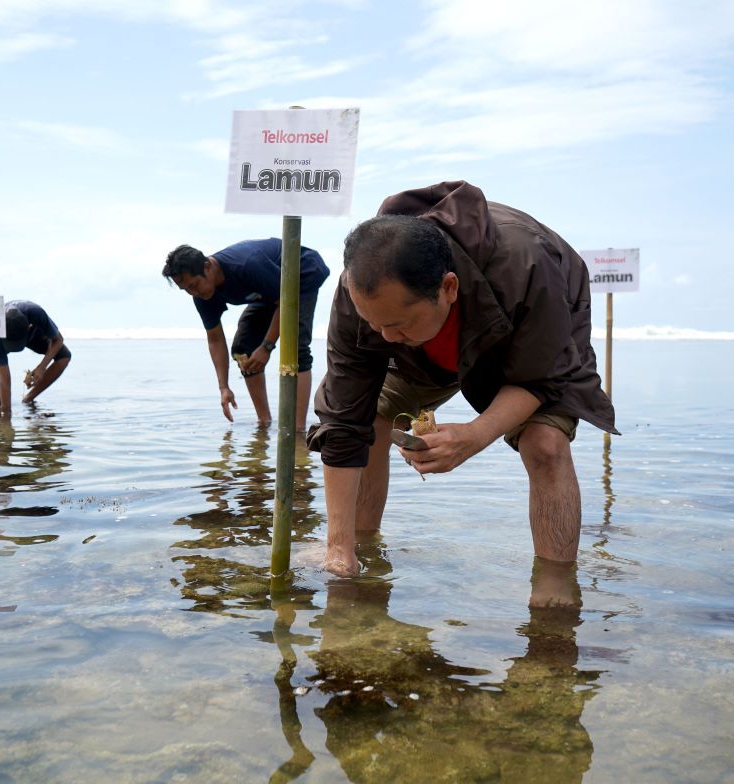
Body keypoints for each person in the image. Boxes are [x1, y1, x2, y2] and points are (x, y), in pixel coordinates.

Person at [306, 180, 617, 578]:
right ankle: (361, 552)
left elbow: (542, 377)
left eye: (396, 324)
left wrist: (473, 435)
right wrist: (337, 549)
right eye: (374, 325)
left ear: (448, 287)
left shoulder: (527, 266)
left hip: (528, 333)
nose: (384, 337)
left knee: (545, 444)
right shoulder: (363, 292)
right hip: (423, 352)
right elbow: (344, 419)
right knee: (370, 421)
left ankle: (554, 593)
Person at [163, 239, 330, 429]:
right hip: (269, 292)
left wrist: (266, 347)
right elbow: (215, 339)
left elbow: (286, 302)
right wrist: (224, 387)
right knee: (243, 350)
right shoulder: (201, 296)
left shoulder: (247, 265)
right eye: (186, 290)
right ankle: (264, 422)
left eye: (194, 285)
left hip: (302, 273)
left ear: (207, 266)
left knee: (295, 346)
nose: (193, 293)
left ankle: (297, 432)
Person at [0, 300, 71, 416]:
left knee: (64, 355)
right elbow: (4, 380)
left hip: (33, 335)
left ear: (29, 327)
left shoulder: (37, 313)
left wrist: (42, 367)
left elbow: (59, 340)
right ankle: (2, 405)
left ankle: (28, 399)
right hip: (4, 336)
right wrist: (6, 415)